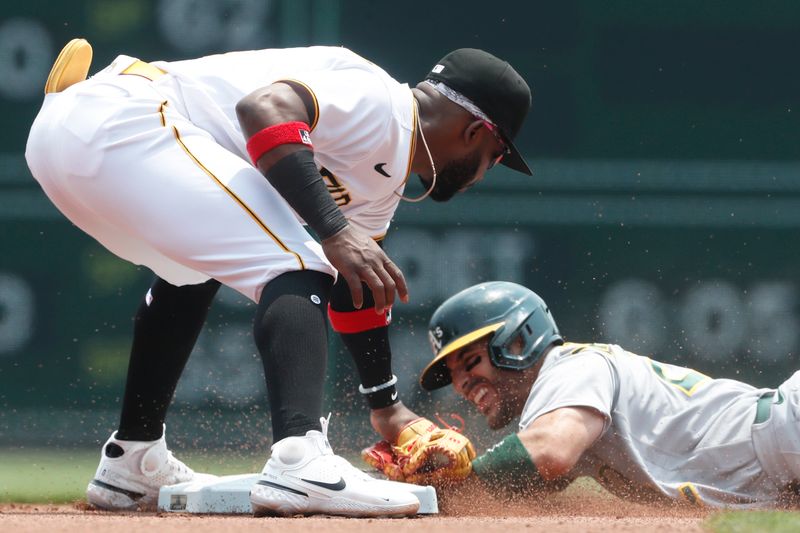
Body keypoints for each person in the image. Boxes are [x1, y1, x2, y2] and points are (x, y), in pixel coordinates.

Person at [25, 38, 533, 516]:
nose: (485, 172)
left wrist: (388, 409)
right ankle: (299, 459)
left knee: (196, 269)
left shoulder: (386, 180)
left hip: (80, 146)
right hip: (121, 120)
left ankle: (133, 460)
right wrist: (333, 230)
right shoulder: (382, 103)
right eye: (495, 157)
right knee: (300, 262)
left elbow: (356, 289)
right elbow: (263, 109)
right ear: (477, 132)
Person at [374, 280, 800, 508]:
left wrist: (450, 486)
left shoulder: (573, 367)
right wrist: (399, 489)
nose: (464, 384)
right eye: (455, 376)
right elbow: (522, 486)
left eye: (470, 363)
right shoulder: (557, 403)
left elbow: (549, 453)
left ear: (518, 340)